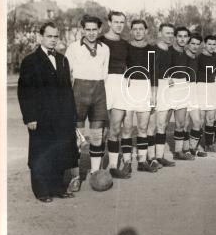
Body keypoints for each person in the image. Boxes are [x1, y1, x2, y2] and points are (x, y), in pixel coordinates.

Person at [17, 22, 79, 202]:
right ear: (40, 37)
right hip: (40, 117)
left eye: (55, 36)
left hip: (61, 116)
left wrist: (72, 117)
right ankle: (41, 191)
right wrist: (30, 117)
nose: (53, 40)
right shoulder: (30, 61)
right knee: (41, 152)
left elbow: (67, 90)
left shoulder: (63, 60)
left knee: (60, 151)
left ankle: (57, 187)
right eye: (49, 36)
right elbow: (24, 92)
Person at [65, 14, 110, 190]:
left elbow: (104, 74)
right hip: (78, 93)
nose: (91, 33)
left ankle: (95, 174)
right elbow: (67, 74)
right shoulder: (73, 47)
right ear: (83, 30)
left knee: (97, 136)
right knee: (77, 137)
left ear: (99, 30)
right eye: (88, 29)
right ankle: (75, 177)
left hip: (98, 92)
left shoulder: (105, 48)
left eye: (94, 30)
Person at [122, 19, 158, 173]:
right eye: (135, 29)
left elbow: (154, 73)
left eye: (141, 29)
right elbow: (121, 67)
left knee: (143, 127)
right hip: (129, 88)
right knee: (127, 128)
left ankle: (142, 161)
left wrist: (154, 94)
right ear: (131, 31)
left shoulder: (151, 49)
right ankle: (127, 162)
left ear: (146, 31)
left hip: (145, 88)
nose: (138, 32)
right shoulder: (126, 47)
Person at [99, 11, 131, 178]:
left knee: (116, 127)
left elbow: (130, 66)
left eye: (121, 22)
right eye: (116, 22)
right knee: (101, 129)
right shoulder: (100, 41)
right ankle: (96, 168)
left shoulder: (125, 44)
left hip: (120, 85)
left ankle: (112, 166)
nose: (119, 25)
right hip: (103, 84)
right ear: (109, 23)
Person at [148, 22, 178, 168]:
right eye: (167, 33)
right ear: (160, 33)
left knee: (162, 124)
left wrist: (169, 77)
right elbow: (151, 72)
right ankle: (150, 157)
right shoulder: (152, 50)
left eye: (172, 33)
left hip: (166, 88)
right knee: (151, 125)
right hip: (154, 87)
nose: (170, 36)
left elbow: (168, 68)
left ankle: (159, 156)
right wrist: (153, 93)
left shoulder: (170, 51)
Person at [168, 26, 195, 161]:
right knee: (162, 123)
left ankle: (178, 152)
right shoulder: (168, 51)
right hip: (168, 87)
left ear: (188, 38)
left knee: (181, 122)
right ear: (175, 37)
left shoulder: (187, 54)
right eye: (179, 36)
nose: (182, 39)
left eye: (185, 36)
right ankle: (155, 155)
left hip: (182, 87)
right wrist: (167, 77)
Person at [182, 33, 207, 157]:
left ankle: (192, 147)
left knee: (197, 122)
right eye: (192, 43)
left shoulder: (196, 59)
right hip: (182, 91)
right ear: (188, 43)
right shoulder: (182, 57)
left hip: (193, 91)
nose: (195, 46)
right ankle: (184, 149)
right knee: (185, 123)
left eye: (197, 44)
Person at [197, 34, 216, 152]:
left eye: (214, 44)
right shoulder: (199, 57)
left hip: (212, 87)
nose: (212, 46)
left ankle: (208, 144)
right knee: (200, 119)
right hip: (201, 87)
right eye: (209, 44)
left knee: (211, 118)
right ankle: (196, 145)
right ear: (204, 44)